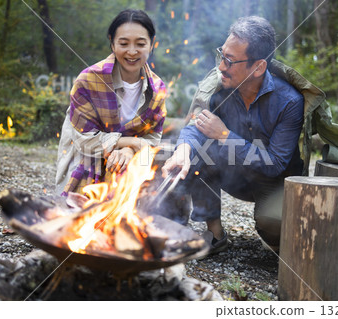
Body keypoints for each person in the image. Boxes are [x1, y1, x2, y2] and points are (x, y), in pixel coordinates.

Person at [162, 16, 304, 254]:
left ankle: (286, 246)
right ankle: (216, 234)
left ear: (258, 67)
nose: (221, 67)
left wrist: (225, 135)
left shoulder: (289, 102)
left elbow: (276, 164)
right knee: (195, 156)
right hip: (235, 173)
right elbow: (196, 127)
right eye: (221, 55)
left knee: (272, 224)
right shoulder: (221, 89)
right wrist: (182, 150)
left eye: (230, 61)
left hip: (273, 182)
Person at [56, 9, 167, 196]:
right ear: (112, 43)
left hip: (129, 166)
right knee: (80, 219)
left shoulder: (157, 89)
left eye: (140, 44)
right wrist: (131, 142)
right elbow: (85, 140)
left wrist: (129, 151)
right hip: (85, 160)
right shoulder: (88, 80)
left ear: (152, 44)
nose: (132, 52)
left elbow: (153, 139)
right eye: (124, 43)